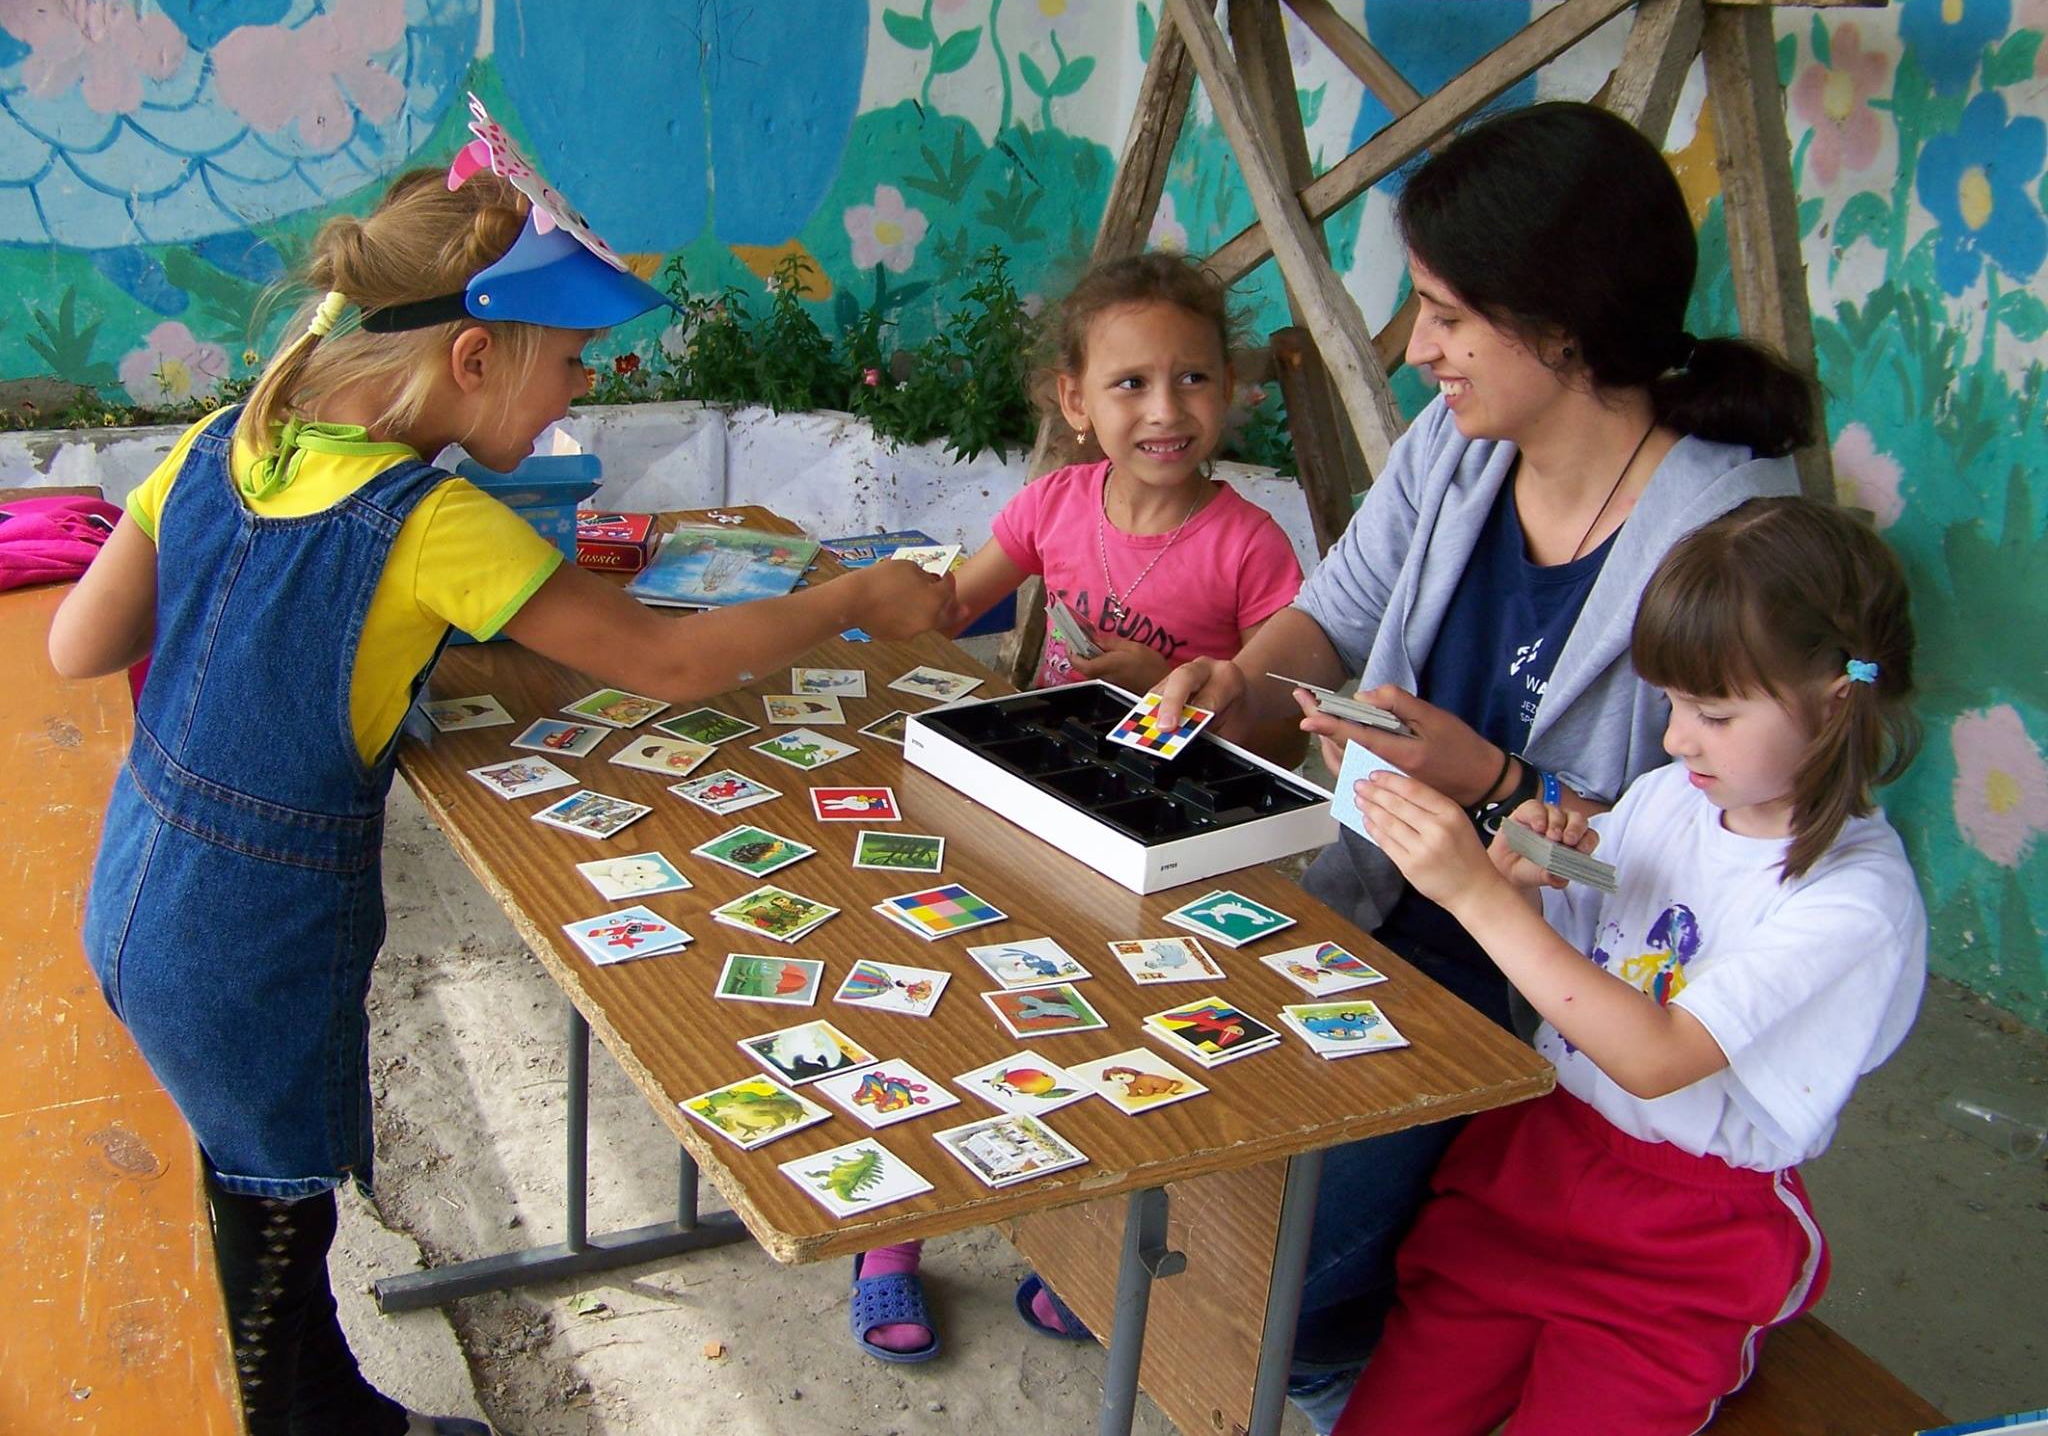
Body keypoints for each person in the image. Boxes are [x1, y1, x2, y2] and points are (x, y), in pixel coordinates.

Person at [49, 115, 951, 1436]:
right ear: (474, 358)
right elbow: (671, 665)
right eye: (571, 364)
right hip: (252, 937)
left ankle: (322, 1401)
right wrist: (854, 597)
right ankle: (308, 1419)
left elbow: (80, 644)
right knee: (277, 1212)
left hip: (137, 884)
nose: (577, 394)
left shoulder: (216, 442)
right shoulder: (433, 522)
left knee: (255, 1192)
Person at [1148, 100, 1816, 1428]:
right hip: (1361, 905)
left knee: (1260, 1269)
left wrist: (1497, 783)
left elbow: (1707, 876)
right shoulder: (1457, 447)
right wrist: (1240, 683)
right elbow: (1332, 616)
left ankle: (1339, 1340)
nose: (1417, 347)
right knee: (1160, 1160)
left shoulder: (1732, 540)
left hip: (1538, 994)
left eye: (1447, 314)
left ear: (1561, 328)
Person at [1333, 496, 1925, 1435]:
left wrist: (1479, 898)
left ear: (1837, 699)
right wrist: (1521, 878)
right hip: (1540, 1164)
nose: (1679, 737)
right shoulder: (1670, 797)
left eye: (1714, 713)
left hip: (1682, 1247)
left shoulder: (1855, 903)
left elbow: (1657, 1055)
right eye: (1673, 704)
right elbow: (1579, 960)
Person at [846, 250, 1304, 1363]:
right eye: (1130, 383)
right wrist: (844, 591)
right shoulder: (1055, 502)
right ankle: (889, 1237)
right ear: (1074, 399)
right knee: (953, 997)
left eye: (1193, 379)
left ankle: (1078, 1249)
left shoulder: (1250, 544)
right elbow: (953, 602)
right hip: (1028, 806)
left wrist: (1174, 688)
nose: (1165, 410)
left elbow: (1285, 726)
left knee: (1109, 1039)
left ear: (1232, 389)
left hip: (1166, 842)